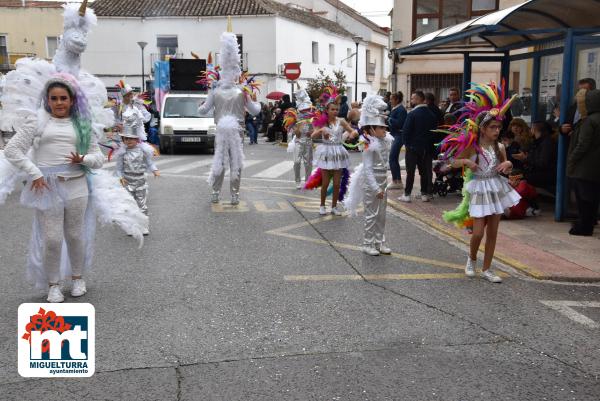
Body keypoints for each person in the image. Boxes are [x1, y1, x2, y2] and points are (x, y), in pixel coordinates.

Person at [440, 82, 521, 283]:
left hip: (495, 187)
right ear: (483, 129)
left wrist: (508, 163)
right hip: (478, 189)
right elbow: (449, 162)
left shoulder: (500, 147)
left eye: (499, 127)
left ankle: (487, 269)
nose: (496, 130)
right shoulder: (473, 148)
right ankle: (472, 259)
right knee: (478, 233)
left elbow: (505, 166)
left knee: (493, 233)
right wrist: (466, 161)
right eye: (492, 127)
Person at [198, 28, 261, 205]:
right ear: (236, 70)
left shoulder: (215, 91)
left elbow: (203, 111)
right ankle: (234, 194)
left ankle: (216, 193)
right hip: (237, 131)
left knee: (219, 160)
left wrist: (200, 105)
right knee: (236, 162)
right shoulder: (243, 91)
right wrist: (257, 102)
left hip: (222, 130)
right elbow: (255, 111)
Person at [344, 95, 394, 256]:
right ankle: (368, 243)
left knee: (382, 215)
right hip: (371, 183)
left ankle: (380, 242)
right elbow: (367, 168)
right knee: (371, 214)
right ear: (372, 129)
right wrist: (375, 187)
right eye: (381, 128)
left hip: (383, 182)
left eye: (385, 128)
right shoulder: (367, 143)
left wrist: (384, 185)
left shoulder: (385, 140)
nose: (385, 130)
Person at [309, 86, 358, 215]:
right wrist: (321, 131)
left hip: (338, 152)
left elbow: (352, 131)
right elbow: (313, 136)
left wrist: (353, 134)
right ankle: (322, 206)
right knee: (325, 183)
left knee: (337, 184)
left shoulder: (341, 121)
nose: (335, 111)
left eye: (337, 109)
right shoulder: (322, 122)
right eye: (332, 109)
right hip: (326, 152)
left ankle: (334, 207)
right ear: (327, 110)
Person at [115, 106, 160, 232]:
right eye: (126, 138)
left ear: (137, 139)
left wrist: (155, 170)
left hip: (140, 180)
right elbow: (118, 169)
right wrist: (121, 178)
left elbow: (149, 163)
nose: (128, 141)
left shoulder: (143, 151)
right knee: (130, 205)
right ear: (123, 140)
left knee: (142, 204)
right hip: (128, 181)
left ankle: (144, 225)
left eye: (131, 138)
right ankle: (131, 226)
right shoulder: (122, 153)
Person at [567, 88, 600, 236]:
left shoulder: (590, 121)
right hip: (595, 168)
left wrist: (572, 159)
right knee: (592, 199)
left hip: (584, 168)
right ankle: (589, 223)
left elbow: (583, 144)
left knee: (584, 200)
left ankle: (584, 227)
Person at [398, 91, 438, 202]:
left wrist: (407, 144)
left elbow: (405, 132)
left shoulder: (412, 114)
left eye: (413, 98)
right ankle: (424, 194)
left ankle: (407, 195)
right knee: (423, 171)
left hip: (413, 148)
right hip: (426, 148)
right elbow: (434, 133)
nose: (411, 101)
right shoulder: (431, 115)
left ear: (419, 99)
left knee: (410, 171)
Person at [286, 88, 315, 189]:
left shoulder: (312, 117)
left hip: (308, 142)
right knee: (297, 162)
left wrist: (311, 133)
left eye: (307, 109)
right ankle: (297, 180)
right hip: (298, 142)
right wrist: (295, 131)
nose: (305, 111)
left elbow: (315, 130)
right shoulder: (295, 117)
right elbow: (291, 130)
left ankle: (307, 181)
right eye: (303, 110)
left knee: (308, 163)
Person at [523, 121, 557, 190]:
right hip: (539, 172)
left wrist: (526, 158)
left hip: (546, 175)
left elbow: (542, 163)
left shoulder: (547, 143)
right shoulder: (539, 141)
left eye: (531, 128)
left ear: (535, 129)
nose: (530, 130)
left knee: (518, 178)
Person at [388, 91, 407, 190]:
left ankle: (396, 181)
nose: (390, 101)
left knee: (392, 158)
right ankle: (397, 180)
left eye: (392, 99)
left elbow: (400, 123)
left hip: (399, 135)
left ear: (397, 100)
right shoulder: (396, 108)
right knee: (393, 158)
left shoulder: (401, 110)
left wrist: (389, 119)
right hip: (395, 135)